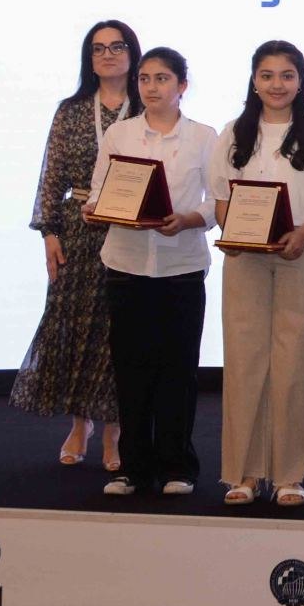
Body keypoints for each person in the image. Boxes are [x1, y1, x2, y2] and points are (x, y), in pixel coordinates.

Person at [211, 41, 304, 507]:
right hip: (244, 259)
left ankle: (289, 474)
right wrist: (236, 232)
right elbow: (222, 199)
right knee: (244, 362)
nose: (277, 84)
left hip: (300, 253)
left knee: (292, 367)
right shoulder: (233, 133)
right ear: (254, 81)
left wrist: (303, 233)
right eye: (267, 75)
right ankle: (245, 474)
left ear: (300, 81)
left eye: (287, 75)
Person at [86, 47, 218, 497]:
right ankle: (132, 469)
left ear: (182, 86)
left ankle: (178, 466)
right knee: (131, 370)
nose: (151, 87)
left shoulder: (204, 136)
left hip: (182, 267)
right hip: (125, 265)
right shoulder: (120, 134)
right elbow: (99, 191)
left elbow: (217, 202)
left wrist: (188, 219)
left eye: (162, 79)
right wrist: (94, 209)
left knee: (178, 370)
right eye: (144, 78)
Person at [14, 20, 141, 472]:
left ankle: (113, 429)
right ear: (89, 58)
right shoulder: (70, 110)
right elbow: (51, 175)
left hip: (130, 231)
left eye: (117, 46)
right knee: (73, 327)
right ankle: (79, 423)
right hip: (77, 230)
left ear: (132, 53)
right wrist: (49, 232)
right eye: (98, 48)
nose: (107, 54)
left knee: (117, 331)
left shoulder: (147, 107)